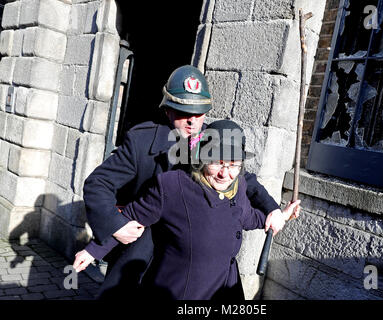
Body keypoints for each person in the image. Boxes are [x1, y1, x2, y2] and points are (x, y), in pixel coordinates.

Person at [80, 65, 288, 298]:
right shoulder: (141, 142)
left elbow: (245, 178)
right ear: (167, 110)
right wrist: (115, 224)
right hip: (145, 249)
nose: (192, 121)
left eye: (198, 113)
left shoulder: (215, 138)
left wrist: (273, 209)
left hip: (193, 257)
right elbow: (98, 183)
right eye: (182, 113)